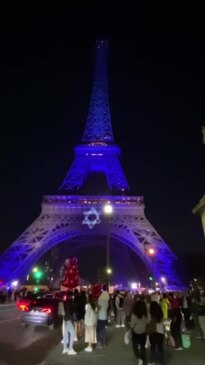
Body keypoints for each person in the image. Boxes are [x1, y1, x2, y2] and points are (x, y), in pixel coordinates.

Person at [130, 299, 147, 365]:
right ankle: (143, 358)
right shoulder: (145, 314)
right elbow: (147, 322)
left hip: (136, 333)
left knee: (135, 347)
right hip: (143, 333)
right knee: (142, 347)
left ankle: (139, 358)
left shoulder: (134, 315)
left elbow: (132, 325)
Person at [148, 301, 165, 365]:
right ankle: (161, 362)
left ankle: (153, 361)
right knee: (160, 348)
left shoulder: (150, 314)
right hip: (160, 332)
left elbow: (148, 322)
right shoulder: (160, 313)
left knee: (153, 347)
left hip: (153, 332)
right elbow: (162, 320)